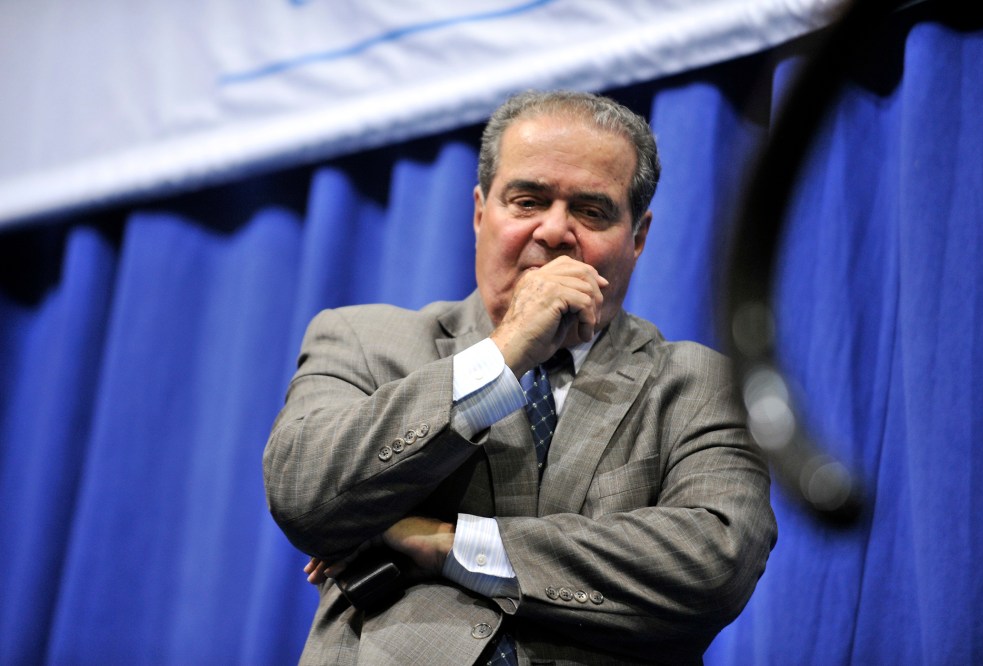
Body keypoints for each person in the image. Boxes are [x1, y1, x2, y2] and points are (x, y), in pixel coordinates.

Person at [264, 90, 777, 665]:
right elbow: (304, 495)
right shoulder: (362, 340)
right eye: (527, 201)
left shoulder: (702, 385)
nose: (555, 231)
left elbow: (714, 562)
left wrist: (446, 544)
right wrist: (503, 354)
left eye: (591, 210)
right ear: (481, 212)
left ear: (638, 238)